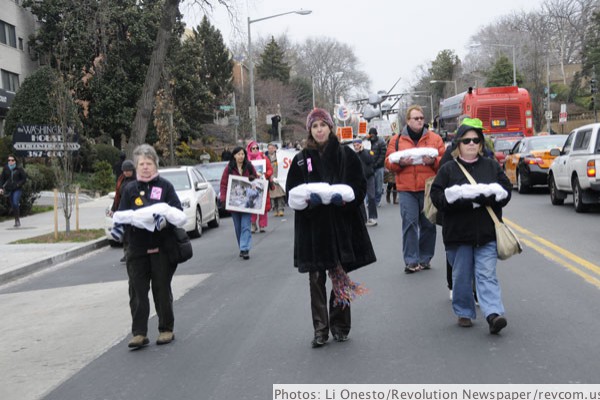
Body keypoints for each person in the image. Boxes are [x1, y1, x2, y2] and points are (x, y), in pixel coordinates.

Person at [286, 108, 376, 348]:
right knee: (315, 278)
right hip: (313, 228)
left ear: (330, 127)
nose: (319, 130)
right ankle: (320, 329)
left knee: (339, 276)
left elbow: (359, 187)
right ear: (310, 131)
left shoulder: (346, 155)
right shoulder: (301, 159)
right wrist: (307, 203)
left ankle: (340, 326)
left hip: (340, 225)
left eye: (322, 125)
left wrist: (346, 200)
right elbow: (291, 193)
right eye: (314, 127)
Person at [429, 121, 511, 334]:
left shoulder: (491, 166)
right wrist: (466, 201)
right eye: (467, 141)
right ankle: (464, 311)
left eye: (476, 140)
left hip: (486, 233)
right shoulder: (448, 169)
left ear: (481, 144)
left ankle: (493, 314)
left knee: (486, 274)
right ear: (458, 144)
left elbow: (506, 191)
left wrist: (489, 198)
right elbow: (437, 197)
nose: (472, 144)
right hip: (458, 234)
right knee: (462, 276)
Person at [116, 144, 183, 349]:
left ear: (155, 164)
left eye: (149, 163)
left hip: (161, 247)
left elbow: (178, 212)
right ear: (136, 166)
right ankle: (139, 333)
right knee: (137, 291)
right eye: (141, 164)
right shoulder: (129, 189)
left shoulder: (165, 187)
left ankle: (166, 328)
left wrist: (163, 219)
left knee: (161, 289)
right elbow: (121, 216)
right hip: (136, 248)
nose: (145, 167)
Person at [384, 105, 446, 273]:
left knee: (428, 224)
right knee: (410, 223)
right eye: (416, 118)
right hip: (406, 189)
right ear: (408, 121)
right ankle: (411, 261)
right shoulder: (396, 140)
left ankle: (425, 258)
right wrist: (400, 163)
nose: (420, 121)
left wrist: (433, 162)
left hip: (428, 189)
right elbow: (388, 162)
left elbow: (445, 162)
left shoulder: (435, 139)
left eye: (421, 118)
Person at [220, 146, 258, 260]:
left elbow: (256, 179)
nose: (241, 156)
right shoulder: (229, 168)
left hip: (247, 202)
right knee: (238, 227)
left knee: (246, 225)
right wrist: (223, 199)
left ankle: (245, 248)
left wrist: (252, 179)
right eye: (238, 154)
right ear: (234, 156)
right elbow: (223, 184)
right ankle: (241, 246)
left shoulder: (249, 166)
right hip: (234, 203)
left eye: (242, 154)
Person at [109, 159, 136, 262]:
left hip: (133, 210)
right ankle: (126, 253)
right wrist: (113, 209)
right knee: (124, 234)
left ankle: (133, 252)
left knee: (132, 233)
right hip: (122, 209)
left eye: (127, 170)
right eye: (124, 170)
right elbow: (117, 196)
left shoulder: (136, 180)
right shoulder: (121, 179)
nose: (125, 173)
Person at [246, 141, 272, 233]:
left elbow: (270, 169)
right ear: (250, 149)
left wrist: (266, 175)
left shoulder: (263, 158)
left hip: (262, 184)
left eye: (257, 148)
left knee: (262, 206)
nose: (255, 150)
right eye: (253, 148)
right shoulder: (246, 160)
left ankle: (262, 225)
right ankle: (253, 224)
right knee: (252, 205)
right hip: (251, 185)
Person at [352, 138, 377, 226]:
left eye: (357, 145)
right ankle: (363, 218)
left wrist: (362, 152)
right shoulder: (353, 154)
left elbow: (370, 160)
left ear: (361, 144)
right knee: (360, 199)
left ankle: (372, 217)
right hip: (359, 179)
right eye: (354, 145)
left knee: (371, 197)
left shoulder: (367, 152)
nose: (356, 147)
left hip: (369, 177)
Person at [0, 154, 27, 227]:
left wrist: (18, 184)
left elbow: (24, 179)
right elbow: (2, 179)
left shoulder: (19, 168)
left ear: (15, 161)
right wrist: (1, 188)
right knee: (13, 205)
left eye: (12, 160)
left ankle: (17, 220)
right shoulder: (5, 168)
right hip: (9, 189)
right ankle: (16, 217)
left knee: (15, 202)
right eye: (9, 160)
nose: (10, 162)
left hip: (17, 189)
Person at [367, 127, 387, 206]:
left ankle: (377, 201)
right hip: (370, 167)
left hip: (379, 167)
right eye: (370, 135)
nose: (372, 136)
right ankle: (370, 201)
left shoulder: (381, 142)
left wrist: (376, 164)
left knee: (378, 186)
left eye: (373, 135)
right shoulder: (367, 143)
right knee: (370, 186)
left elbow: (382, 155)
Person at [266, 143, 286, 217]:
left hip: (278, 177)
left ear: (274, 149)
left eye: (272, 148)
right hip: (270, 178)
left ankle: (281, 209)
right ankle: (275, 209)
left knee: (280, 195)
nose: (271, 149)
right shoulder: (266, 158)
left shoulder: (279, 156)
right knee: (273, 196)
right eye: (269, 148)